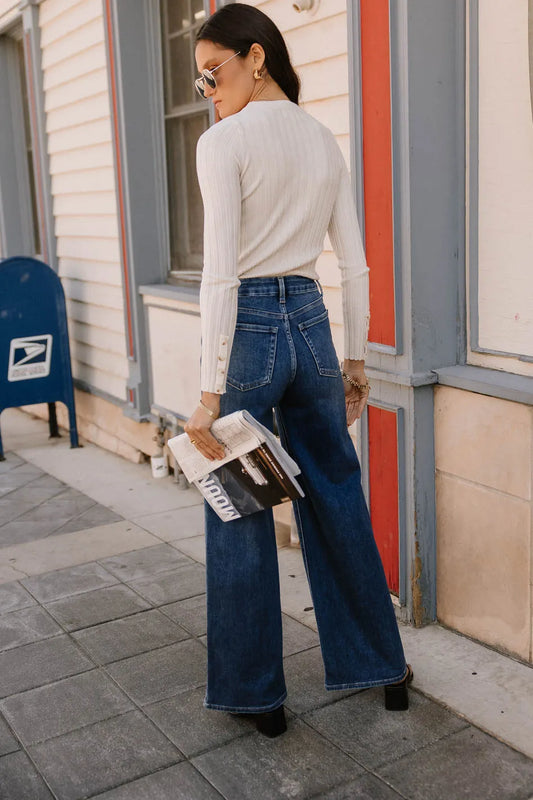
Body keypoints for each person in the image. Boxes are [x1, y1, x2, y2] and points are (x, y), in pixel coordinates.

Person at [184, 3, 413, 738]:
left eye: (213, 74)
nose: (209, 92)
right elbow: (353, 260)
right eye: (200, 83)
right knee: (337, 495)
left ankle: (259, 698)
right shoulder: (322, 140)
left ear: (256, 56)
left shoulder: (224, 144)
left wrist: (207, 392)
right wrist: (352, 360)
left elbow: (219, 275)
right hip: (312, 323)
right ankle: (382, 668)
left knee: (239, 510)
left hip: (247, 332)